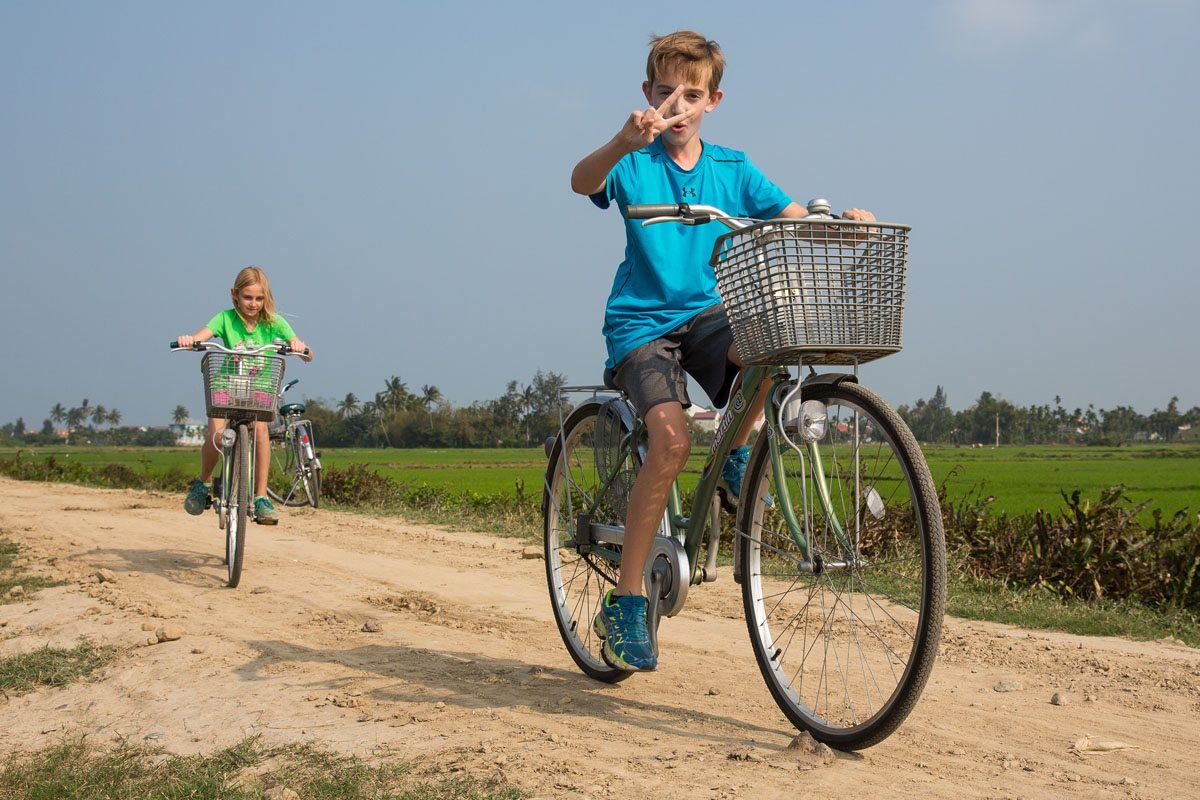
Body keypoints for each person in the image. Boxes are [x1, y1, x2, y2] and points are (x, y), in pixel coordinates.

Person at [571, 31, 874, 671]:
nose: (676, 104)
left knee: (766, 348)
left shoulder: (733, 170)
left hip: (709, 316)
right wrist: (624, 140)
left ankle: (738, 454)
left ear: (714, 99)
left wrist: (847, 228)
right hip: (642, 327)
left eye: (691, 93)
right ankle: (625, 602)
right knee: (672, 441)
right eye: (663, 91)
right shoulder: (633, 160)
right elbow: (580, 181)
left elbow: (795, 216)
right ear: (646, 95)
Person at [176, 266, 309, 524]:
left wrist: (299, 347)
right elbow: (200, 336)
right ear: (235, 295)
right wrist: (189, 340)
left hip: (259, 392)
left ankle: (260, 497)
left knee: (261, 432)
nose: (253, 303)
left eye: (259, 298)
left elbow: (303, 347)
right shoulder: (225, 319)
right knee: (216, 435)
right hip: (226, 388)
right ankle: (202, 483)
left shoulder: (274, 322)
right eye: (248, 297)